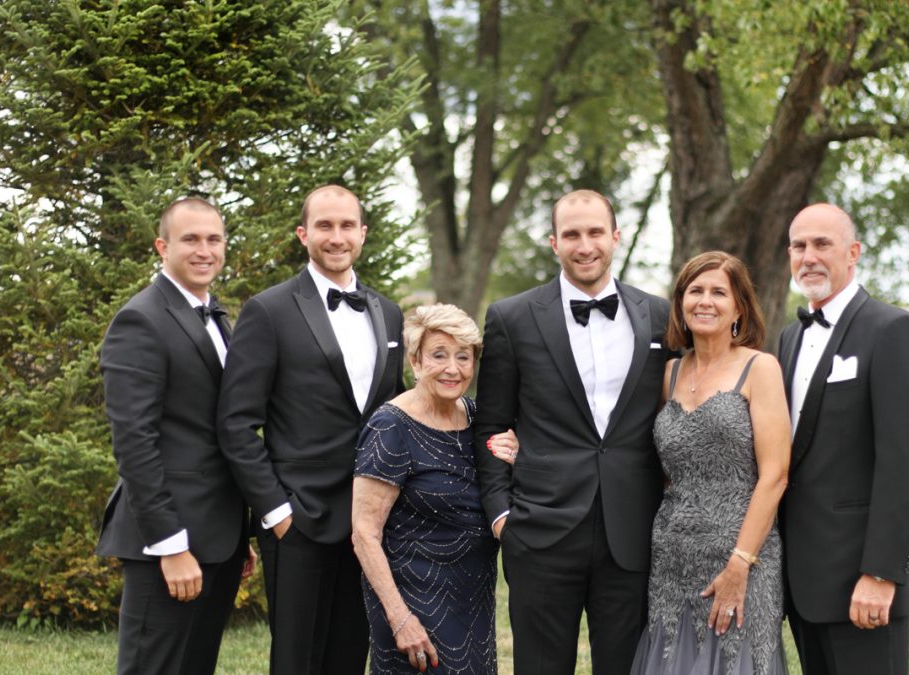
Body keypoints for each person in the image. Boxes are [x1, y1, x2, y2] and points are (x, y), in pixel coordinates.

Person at [474, 189, 671, 674]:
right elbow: (491, 424)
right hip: (540, 532)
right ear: (554, 242)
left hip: (633, 532)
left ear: (616, 236)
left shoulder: (660, 316)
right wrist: (502, 516)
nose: (585, 246)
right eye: (572, 235)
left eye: (595, 232)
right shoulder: (512, 317)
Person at [217, 185, 405, 675]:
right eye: (324, 225)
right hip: (299, 520)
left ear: (362, 234)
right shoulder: (269, 310)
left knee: (350, 656)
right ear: (303, 234)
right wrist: (277, 513)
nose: (336, 237)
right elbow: (236, 423)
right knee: (296, 662)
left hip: (369, 522)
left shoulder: (388, 313)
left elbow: (397, 409)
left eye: (347, 226)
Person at [97, 197, 254, 675]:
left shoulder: (215, 316)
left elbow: (213, 431)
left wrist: (236, 532)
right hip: (168, 543)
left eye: (214, 239)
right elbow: (135, 444)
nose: (205, 250)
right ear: (162, 247)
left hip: (217, 538)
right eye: (190, 239)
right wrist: (171, 545)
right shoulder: (141, 320)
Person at [777, 203, 909, 675]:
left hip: (862, 578)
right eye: (798, 246)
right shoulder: (788, 338)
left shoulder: (893, 330)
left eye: (822, 244)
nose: (808, 256)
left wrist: (881, 573)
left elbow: (905, 465)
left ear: (853, 253)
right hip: (802, 582)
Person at [627, 251, 791, 675]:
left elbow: (775, 476)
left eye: (719, 292)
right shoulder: (669, 373)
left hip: (742, 555)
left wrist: (740, 562)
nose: (705, 300)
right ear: (680, 302)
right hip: (672, 556)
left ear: (739, 308)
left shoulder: (760, 368)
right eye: (695, 290)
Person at [352, 304, 502, 674]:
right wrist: (400, 618)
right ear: (415, 361)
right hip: (412, 606)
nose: (453, 369)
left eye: (463, 357)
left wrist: (513, 450)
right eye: (439, 355)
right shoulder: (391, 427)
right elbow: (364, 533)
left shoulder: (478, 418)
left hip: (473, 601)